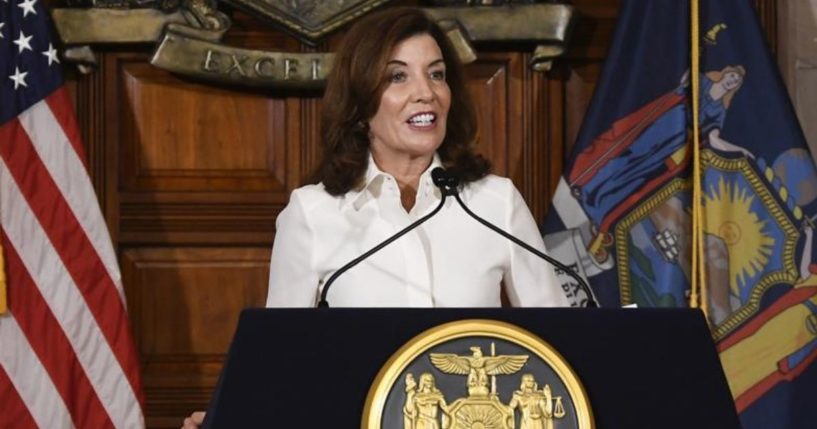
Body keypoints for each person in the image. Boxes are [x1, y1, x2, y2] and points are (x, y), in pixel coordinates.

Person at [182, 6, 568, 428]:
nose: (426, 92)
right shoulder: (313, 214)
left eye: (436, 74)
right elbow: (280, 362)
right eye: (398, 76)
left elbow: (561, 342)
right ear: (361, 102)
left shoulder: (496, 204)